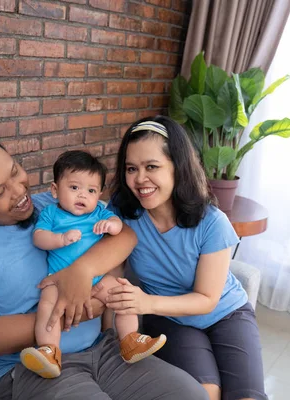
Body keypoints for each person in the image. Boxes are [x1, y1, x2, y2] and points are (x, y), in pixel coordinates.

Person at [0, 124, 208, 400]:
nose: (19, 191)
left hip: (102, 349)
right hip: (26, 367)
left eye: (15, 171)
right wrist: (79, 309)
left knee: (190, 394)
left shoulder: (55, 203)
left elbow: (125, 236)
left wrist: (82, 271)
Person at [105, 116, 268, 400]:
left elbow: (207, 298)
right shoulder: (123, 214)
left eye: (151, 167)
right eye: (131, 168)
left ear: (177, 168)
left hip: (227, 314)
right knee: (203, 395)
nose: (139, 179)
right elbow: (110, 274)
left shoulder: (212, 222)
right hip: (172, 321)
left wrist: (146, 302)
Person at [20, 150, 166, 379]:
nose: (83, 196)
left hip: (97, 279)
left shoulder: (99, 212)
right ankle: (49, 351)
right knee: (48, 307)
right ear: (55, 190)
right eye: (74, 188)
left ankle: (129, 340)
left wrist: (111, 226)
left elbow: (118, 226)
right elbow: (38, 237)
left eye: (91, 191)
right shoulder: (51, 213)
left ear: (98, 195)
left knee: (123, 294)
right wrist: (60, 239)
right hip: (59, 280)